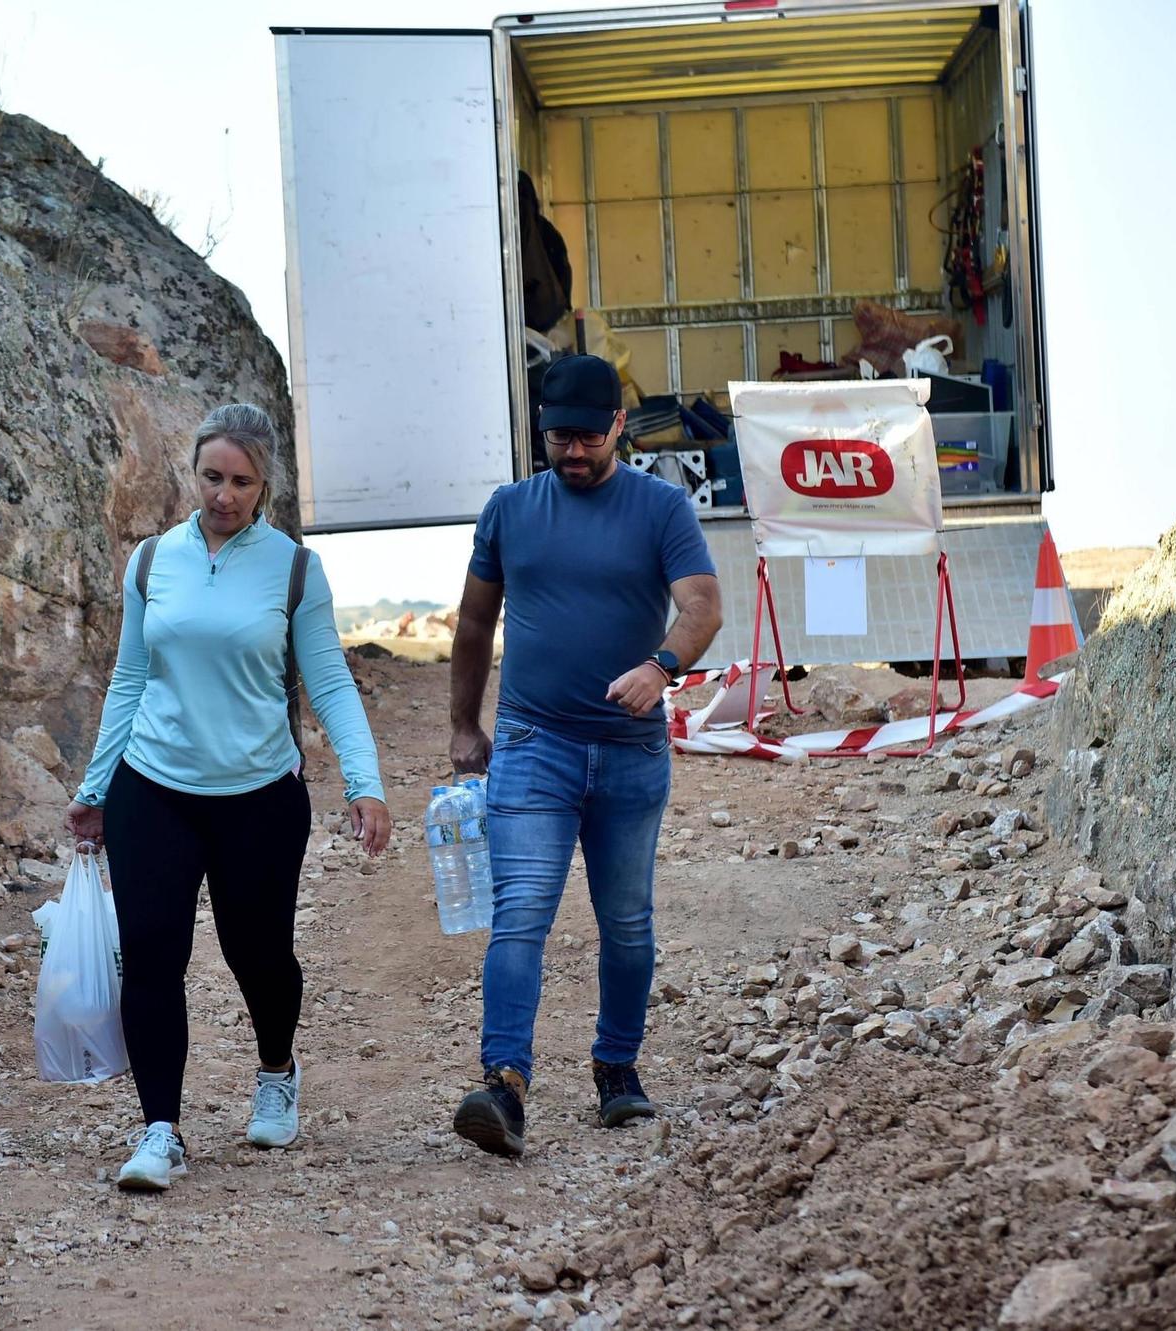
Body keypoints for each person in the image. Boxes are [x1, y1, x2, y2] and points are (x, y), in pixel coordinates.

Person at [66, 403, 393, 1193]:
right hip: (155, 787)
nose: (223, 494)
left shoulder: (293, 569)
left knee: (260, 957)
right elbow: (131, 679)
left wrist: (365, 781)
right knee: (150, 951)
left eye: (241, 481)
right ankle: (160, 1129)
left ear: (264, 484)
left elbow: (329, 682)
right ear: (193, 473)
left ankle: (277, 1068)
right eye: (211, 476)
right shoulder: (151, 561)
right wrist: (95, 784)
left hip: (258, 796)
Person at [447, 355, 722, 1157]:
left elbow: (701, 604)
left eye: (587, 437)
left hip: (631, 752)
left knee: (627, 925)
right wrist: (465, 725)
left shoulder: (662, 508)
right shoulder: (509, 510)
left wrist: (659, 667)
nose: (573, 452)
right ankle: (504, 1085)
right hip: (534, 746)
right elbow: (472, 626)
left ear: (618, 428)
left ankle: (617, 1068)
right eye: (558, 437)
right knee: (521, 913)